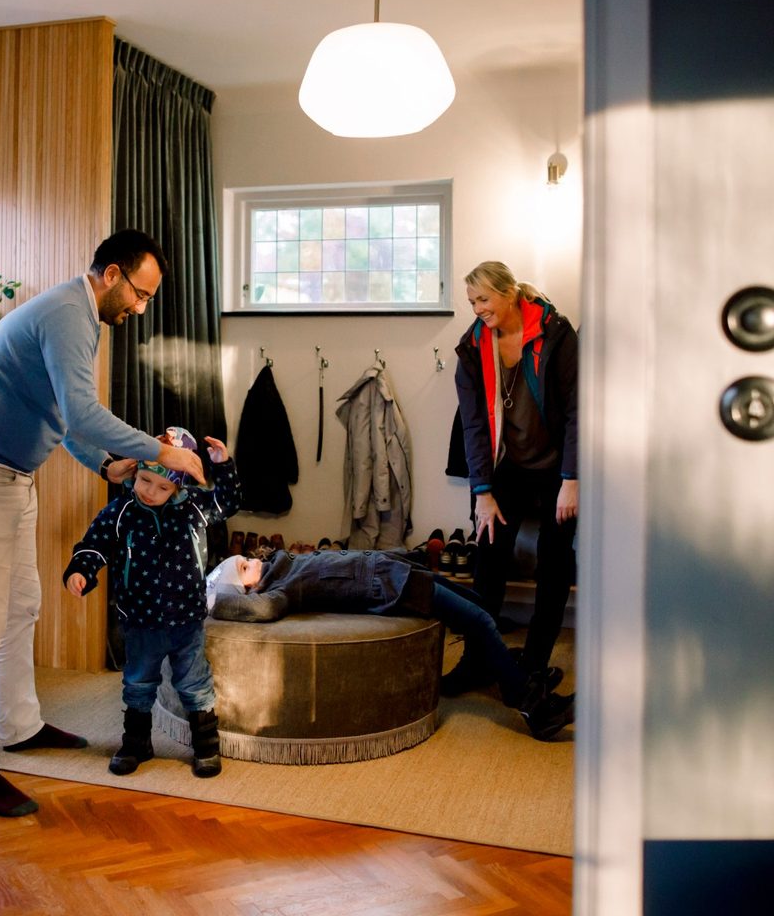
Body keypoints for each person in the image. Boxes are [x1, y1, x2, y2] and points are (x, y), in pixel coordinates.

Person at [0, 230, 205, 818]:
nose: (140, 307)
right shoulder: (68, 315)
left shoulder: (82, 317)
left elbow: (61, 416)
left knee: (22, 606)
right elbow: (83, 412)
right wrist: (166, 452)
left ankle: (21, 725)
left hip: (11, 477)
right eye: (140, 294)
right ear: (111, 275)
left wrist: (105, 462)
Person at [206, 548, 575, 741]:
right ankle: (531, 705)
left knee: (479, 605)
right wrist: (208, 601)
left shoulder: (281, 566)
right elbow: (264, 609)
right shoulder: (280, 588)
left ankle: (498, 671)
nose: (252, 561)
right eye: (243, 569)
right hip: (392, 586)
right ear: (247, 590)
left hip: (397, 569)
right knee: (479, 620)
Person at [63, 429, 240, 777]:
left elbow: (228, 502)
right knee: (138, 683)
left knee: (193, 683)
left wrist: (223, 465)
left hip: (186, 619)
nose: (151, 492)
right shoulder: (121, 511)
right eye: (145, 481)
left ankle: (206, 746)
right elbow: (94, 543)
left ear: (179, 487)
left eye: (163, 488)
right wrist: (81, 570)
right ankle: (136, 743)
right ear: (135, 473)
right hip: (139, 619)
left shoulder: (194, 509)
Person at [447, 260, 578, 695]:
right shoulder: (472, 347)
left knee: (554, 562)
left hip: (558, 466)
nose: (477, 309)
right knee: (488, 556)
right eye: (471, 302)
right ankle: (477, 658)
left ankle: (535, 663)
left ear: (509, 294)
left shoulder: (556, 334)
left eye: (483, 299)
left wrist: (573, 479)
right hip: (508, 468)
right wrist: (481, 490)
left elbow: (578, 409)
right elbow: (474, 426)